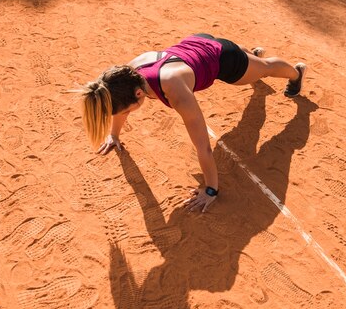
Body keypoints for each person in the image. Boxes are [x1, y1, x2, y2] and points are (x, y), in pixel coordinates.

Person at [69, 33, 307, 213]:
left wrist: (211, 189)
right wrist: (115, 135)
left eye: (128, 108)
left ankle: (296, 73)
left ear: (139, 95)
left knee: (263, 70)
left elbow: (203, 146)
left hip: (223, 59)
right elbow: (121, 108)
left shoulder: (175, 91)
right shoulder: (125, 77)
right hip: (197, 41)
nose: (126, 113)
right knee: (248, 63)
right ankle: (251, 57)